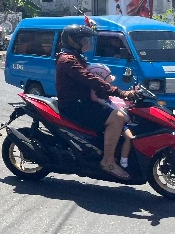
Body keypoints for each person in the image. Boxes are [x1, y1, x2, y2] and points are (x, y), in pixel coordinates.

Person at [55, 24, 135, 180]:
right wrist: (121, 93)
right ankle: (108, 162)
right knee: (117, 117)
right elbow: (90, 79)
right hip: (74, 106)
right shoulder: (67, 60)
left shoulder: (75, 56)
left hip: (82, 102)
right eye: (84, 39)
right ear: (72, 40)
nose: (87, 43)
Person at [87, 63, 133, 169]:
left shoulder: (103, 93)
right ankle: (120, 163)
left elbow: (115, 101)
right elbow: (113, 107)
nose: (108, 84)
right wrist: (127, 118)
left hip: (116, 115)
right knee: (130, 138)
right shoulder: (97, 97)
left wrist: (128, 98)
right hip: (114, 120)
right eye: (106, 81)